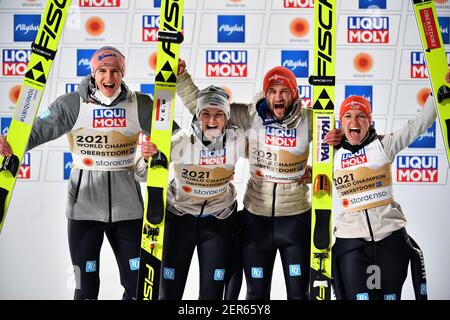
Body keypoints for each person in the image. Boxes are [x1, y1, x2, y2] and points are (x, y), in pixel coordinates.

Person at [0, 46, 180, 300]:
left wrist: (154, 156)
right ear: (93, 73)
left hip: (129, 212)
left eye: (115, 71)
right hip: (83, 212)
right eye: (103, 71)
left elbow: (178, 139)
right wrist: (8, 143)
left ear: (123, 73)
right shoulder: (73, 104)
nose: (109, 77)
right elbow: (37, 131)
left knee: (139, 287)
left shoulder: (139, 104)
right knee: (85, 290)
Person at [176, 64, 313, 300]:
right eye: (273, 91)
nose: (278, 97)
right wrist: (180, 77)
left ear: (294, 94)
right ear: (266, 94)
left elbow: (336, 150)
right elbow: (207, 107)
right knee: (255, 294)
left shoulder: (309, 119)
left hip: (296, 215)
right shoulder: (250, 116)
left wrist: (316, 172)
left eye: (284, 91)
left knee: (300, 295)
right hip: (256, 215)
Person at [135, 85, 245, 299]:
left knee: (211, 296)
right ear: (197, 115)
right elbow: (141, 174)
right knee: (169, 294)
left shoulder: (238, 139)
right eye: (205, 114)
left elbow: (269, 155)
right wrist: (147, 157)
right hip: (179, 220)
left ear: (227, 117)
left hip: (218, 221)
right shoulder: (182, 139)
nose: (212, 121)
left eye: (218, 115)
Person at [324, 95, 434, 300]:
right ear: (341, 122)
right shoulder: (331, 154)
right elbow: (315, 178)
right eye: (348, 116)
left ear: (369, 121)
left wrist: (437, 95)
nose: (354, 122)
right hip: (351, 240)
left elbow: (418, 125)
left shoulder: (383, 145)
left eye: (360, 116)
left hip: (390, 237)